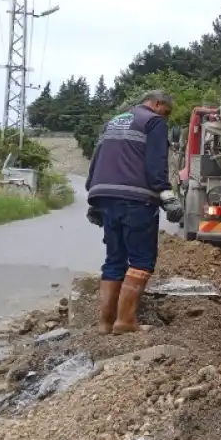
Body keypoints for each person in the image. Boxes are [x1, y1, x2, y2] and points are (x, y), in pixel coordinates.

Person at [85, 90, 184, 335]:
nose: (166, 117)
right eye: (167, 111)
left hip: (106, 196)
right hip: (136, 200)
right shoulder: (153, 122)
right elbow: (155, 163)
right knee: (141, 260)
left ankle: (105, 322)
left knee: (114, 259)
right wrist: (166, 195)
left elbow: (97, 159)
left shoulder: (113, 122)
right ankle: (126, 320)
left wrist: (94, 196)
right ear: (158, 103)